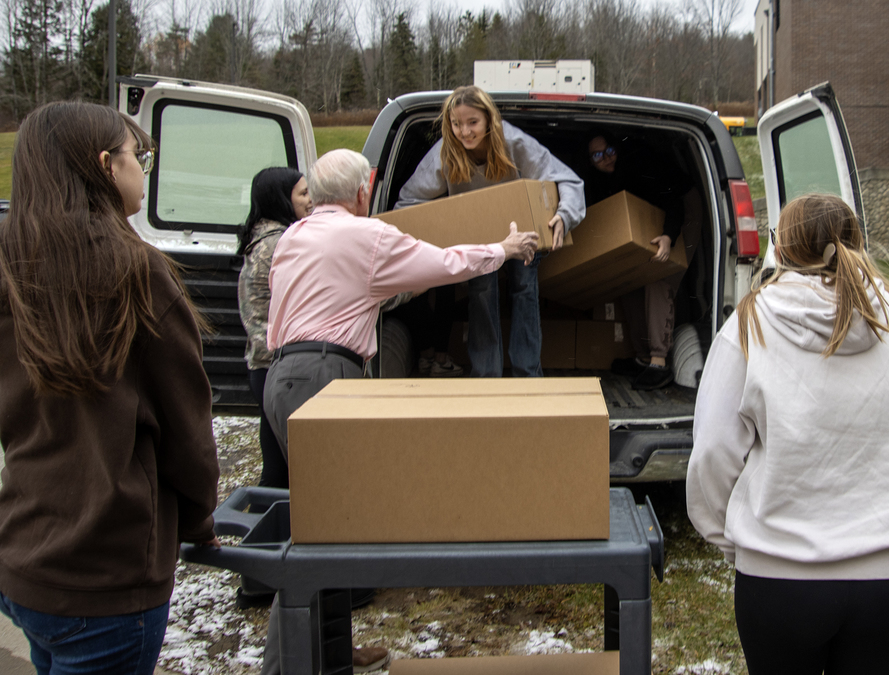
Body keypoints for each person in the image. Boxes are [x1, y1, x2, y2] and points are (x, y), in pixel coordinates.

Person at [258, 148, 538, 675]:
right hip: (323, 377)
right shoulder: (366, 235)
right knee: (319, 532)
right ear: (362, 192)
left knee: (332, 523)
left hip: (281, 377)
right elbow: (443, 263)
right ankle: (285, 667)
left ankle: (332, 653)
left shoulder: (293, 236)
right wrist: (501, 249)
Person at [685, 193, 889, 675]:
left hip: (779, 576)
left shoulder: (749, 325)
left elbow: (713, 453)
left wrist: (735, 539)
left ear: (783, 248)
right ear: (855, 243)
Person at [0, 101, 221, 674]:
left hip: (22, 557)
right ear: (105, 165)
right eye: (137, 155)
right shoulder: (136, 273)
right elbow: (187, 434)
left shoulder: (10, 266)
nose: (142, 168)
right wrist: (199, 521)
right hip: (108, 578)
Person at [395, 85, 585, 377]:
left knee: (524, 286)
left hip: (521, 233)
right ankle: (486, 376)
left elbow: (566, 178)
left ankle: (527, 374)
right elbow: (409, 200)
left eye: (472, 122)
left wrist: (564, 216)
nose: (465, 132)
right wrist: (433, 233)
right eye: (457, 124)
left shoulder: (512, 141)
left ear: (488, 120)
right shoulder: (447, 150)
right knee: (481, 290)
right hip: (479, 238)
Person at [583, 131, 699, 390]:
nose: (606, 158)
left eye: (610, 151)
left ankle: (659, 362)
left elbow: (673, 202)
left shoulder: (640, 166)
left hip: (680, 209)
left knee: (659, 276)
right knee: (630, 279)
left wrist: (669, 236)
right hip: (647, 216)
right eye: (598, 156)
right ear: (591, 161)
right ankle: (644, 357)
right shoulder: (596, 181)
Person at [238, 167, 312, 490]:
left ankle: (268, 533)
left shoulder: (263, 239)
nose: (311, 201)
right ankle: (270, 536)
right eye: (303, 194)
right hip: (275, 366)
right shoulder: (279, 244)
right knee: (281, 474)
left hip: (263, 365)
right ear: (283, 200)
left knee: (276, 467)